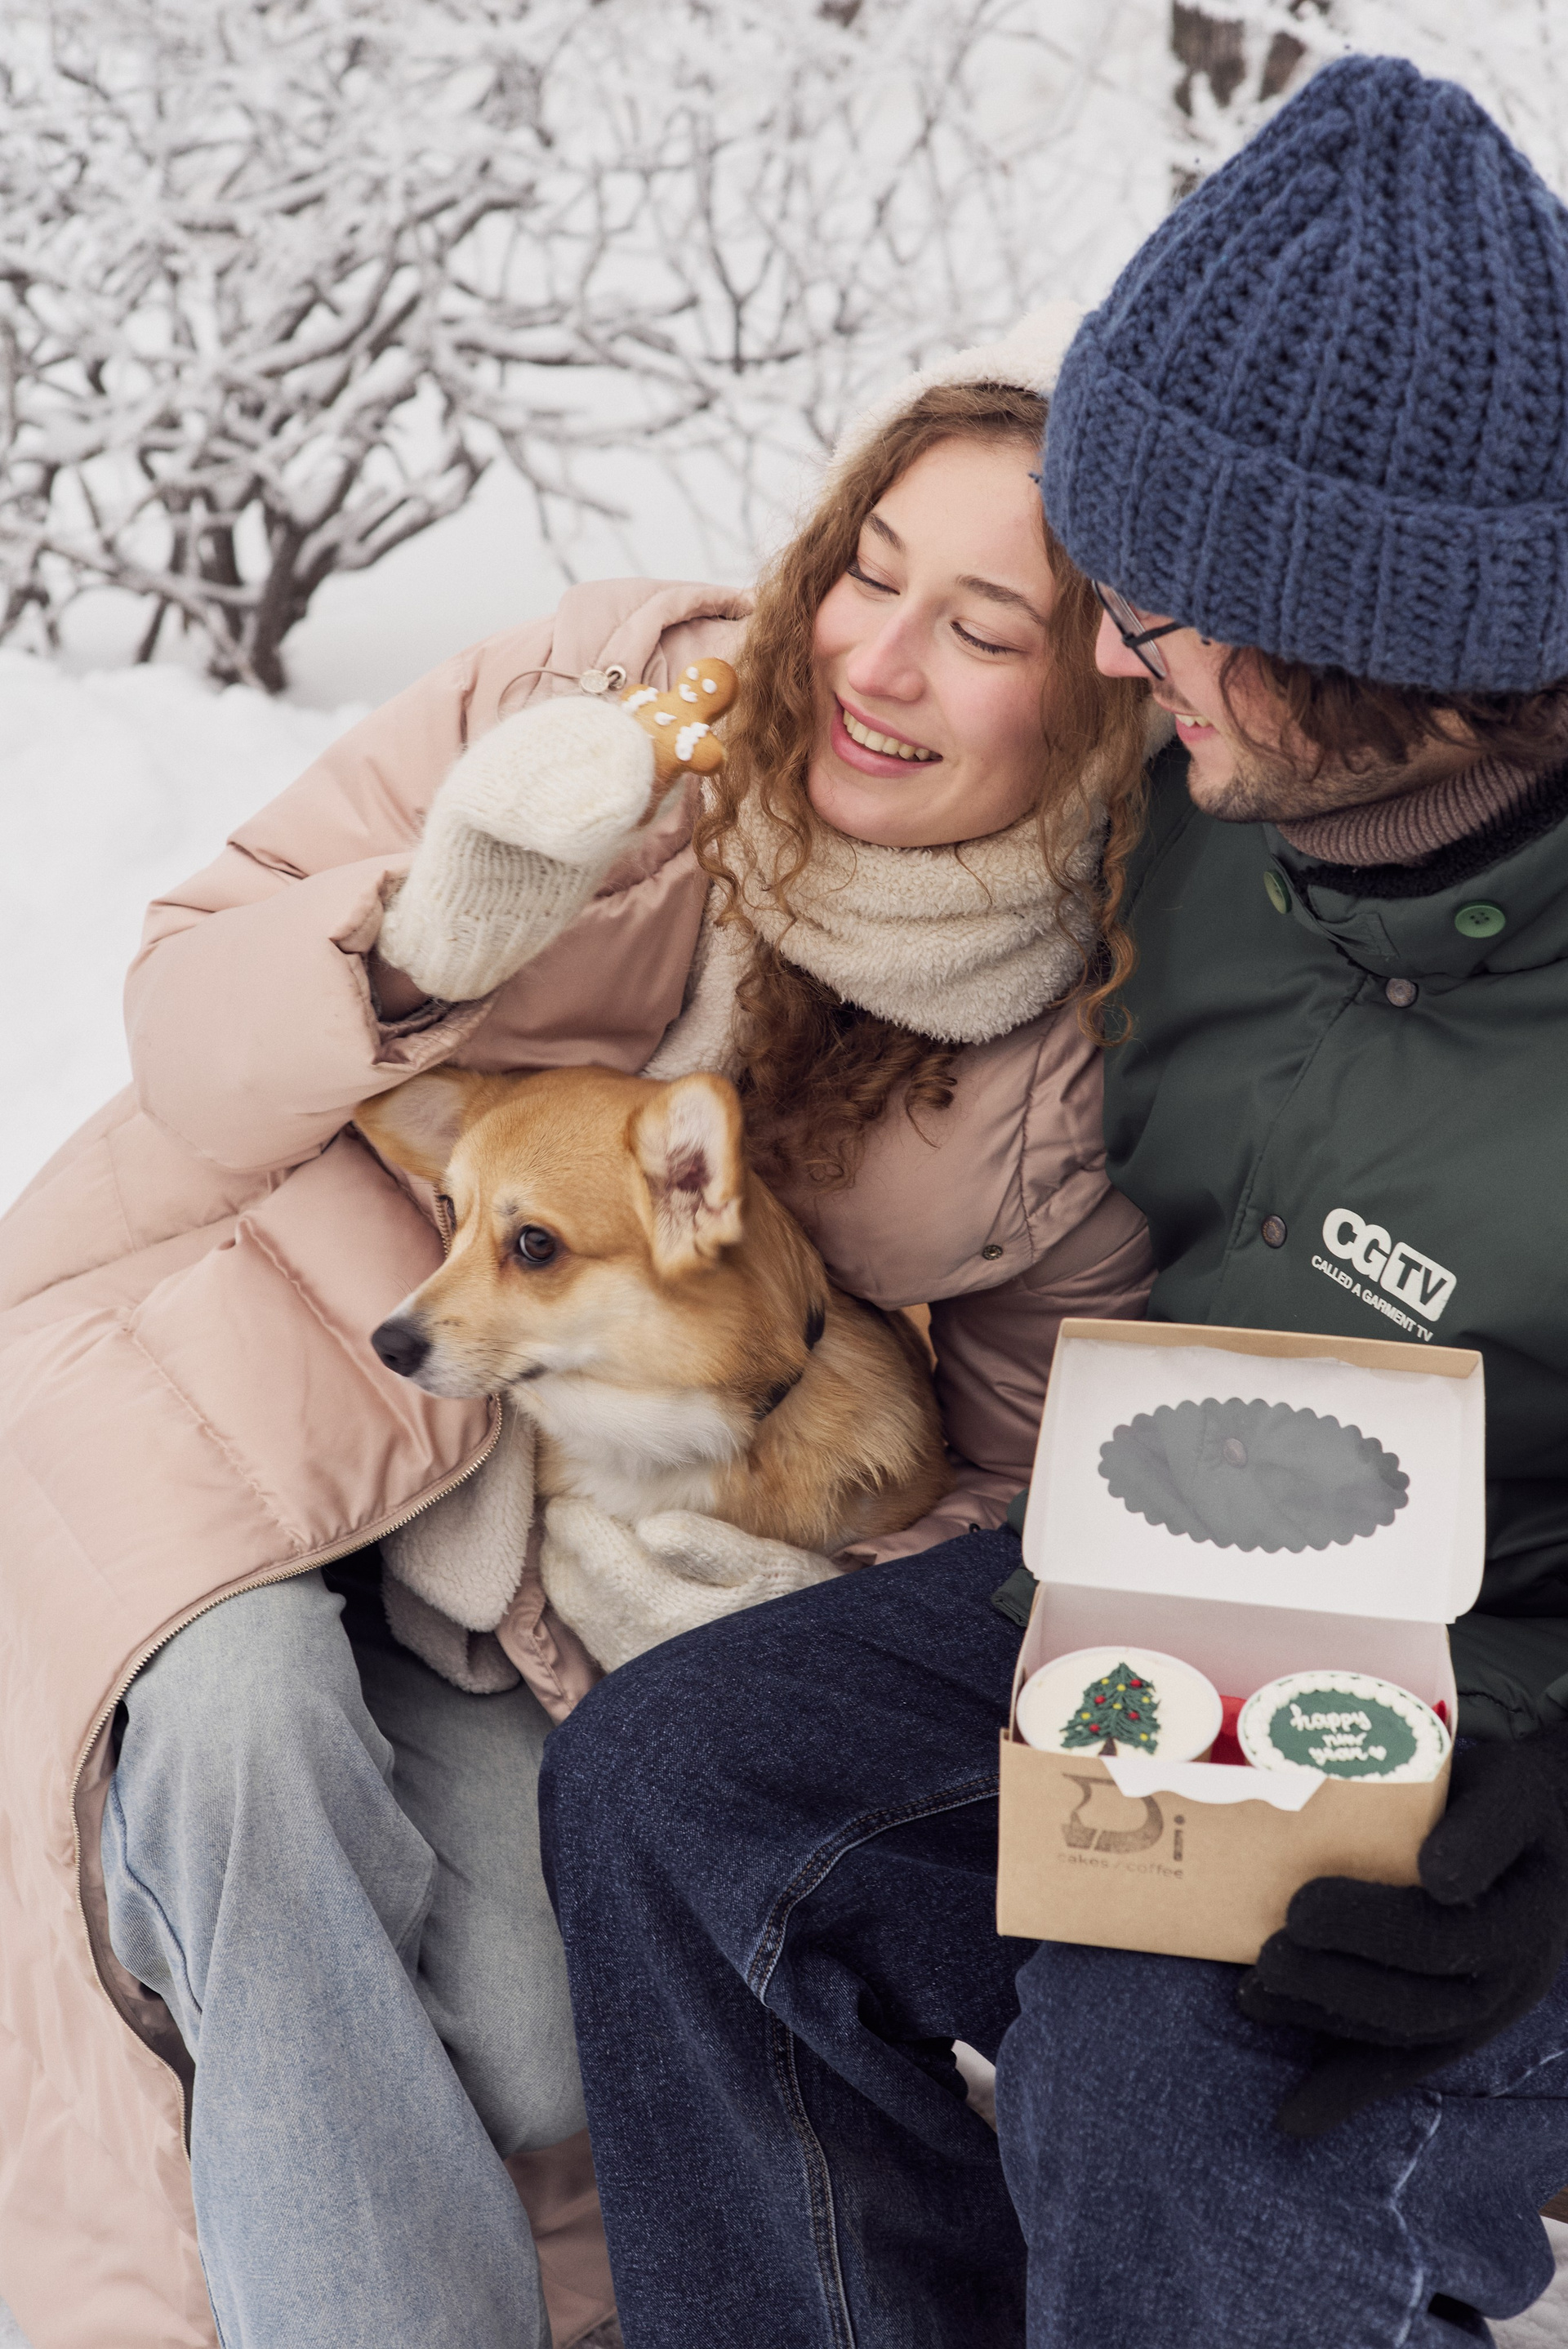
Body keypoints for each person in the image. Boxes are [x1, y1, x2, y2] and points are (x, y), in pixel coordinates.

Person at [538, 55, 1568, 2349]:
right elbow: (851, 778)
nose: (1112, 655)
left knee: (1166, 2061)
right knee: (677, 1789)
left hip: (1520, 1715)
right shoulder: (1202, 803)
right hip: (1187, 1564)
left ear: (1366, 641)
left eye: (1165, 612)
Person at [0, 311, 1157, 2347]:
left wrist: (794, 1566)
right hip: (216, 1383)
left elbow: (1031, 1475)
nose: (875, 661)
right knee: (244, 1734)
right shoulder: (601, 691)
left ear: (1094, 698)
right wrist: (416, 943)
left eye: (982, 628)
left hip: (542, 1594)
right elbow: (183, 1019)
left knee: (536, 2043)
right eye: (867, 569)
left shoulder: (1065, 1037)